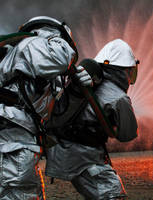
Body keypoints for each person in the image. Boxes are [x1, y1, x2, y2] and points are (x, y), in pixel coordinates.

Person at [45, 39, 139, 199]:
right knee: (112, 194)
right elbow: (127, 135)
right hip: (84, 157)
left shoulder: (87, 84)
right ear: (124, 71)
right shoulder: (119, 98)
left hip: (63, 150)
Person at [0, 16, 78, 199]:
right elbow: (61, 57)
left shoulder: (20, 55)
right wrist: (58, 40)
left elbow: (55, 111)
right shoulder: (34, 43)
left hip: (13, 140)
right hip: (13, 144)